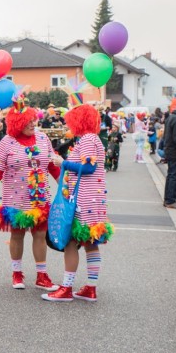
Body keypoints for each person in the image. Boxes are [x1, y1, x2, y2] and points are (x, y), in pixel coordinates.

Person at [0, 98, 59, 291]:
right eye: (28, 121)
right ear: (17, 123)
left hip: (40, 198)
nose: (33, 124)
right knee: (17, 235)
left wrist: (67, 189)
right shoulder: (7, 142)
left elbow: (53, 167)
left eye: (34, 120)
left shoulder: (43, 139)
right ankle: (17, 273)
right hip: (15, 199)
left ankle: (41, 275)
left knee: (40, 234)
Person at [44, 103, 113, 302]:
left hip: (83, 199)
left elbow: (89, 167)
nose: (69, 125)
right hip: (92, 198)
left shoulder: (89, 139)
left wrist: (62, 163)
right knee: (90, 243)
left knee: (71, 242)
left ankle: (66, 288)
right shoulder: (91, 139)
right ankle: (90, 288)